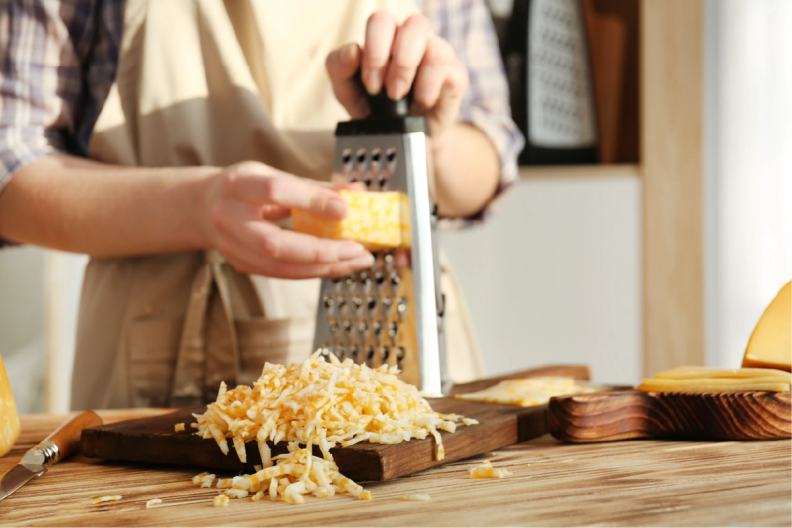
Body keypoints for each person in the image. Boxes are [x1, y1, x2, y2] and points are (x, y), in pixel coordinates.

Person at [0, 0, 523, 410]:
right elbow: (11, 168)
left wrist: (427, 140)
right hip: (158, 355)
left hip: (405, 344)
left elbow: (492, 152)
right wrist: (198, 206)